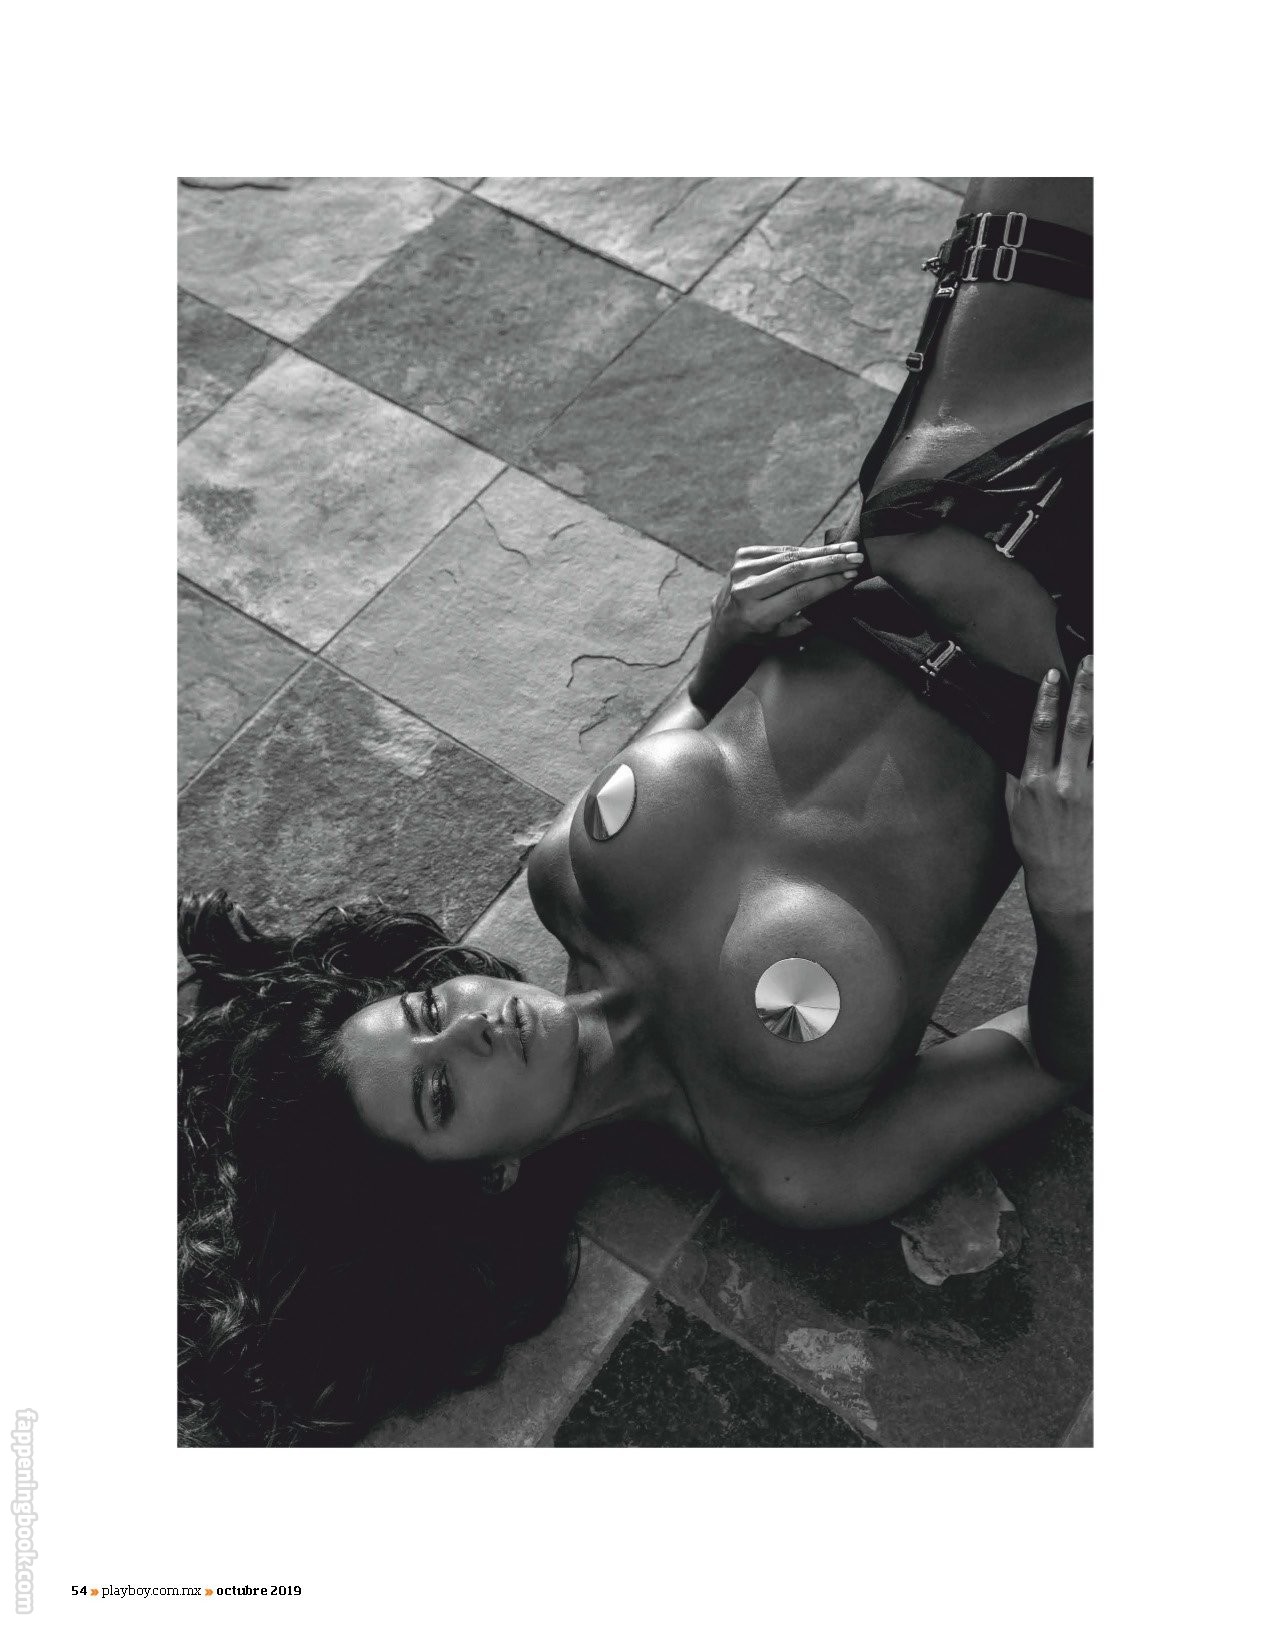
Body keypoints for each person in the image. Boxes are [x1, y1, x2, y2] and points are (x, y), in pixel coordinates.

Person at [179, 177, 1092, 1444]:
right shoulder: (790, 1158)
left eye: (429, 1014)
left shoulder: (569, 877)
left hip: (939, 485)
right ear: (481, 1181)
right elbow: (1058, 1059)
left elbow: (704, 719)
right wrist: (1068, 896)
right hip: (1074, 657)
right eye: (442, 1093)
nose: (473, 1028)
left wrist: (724, 640)